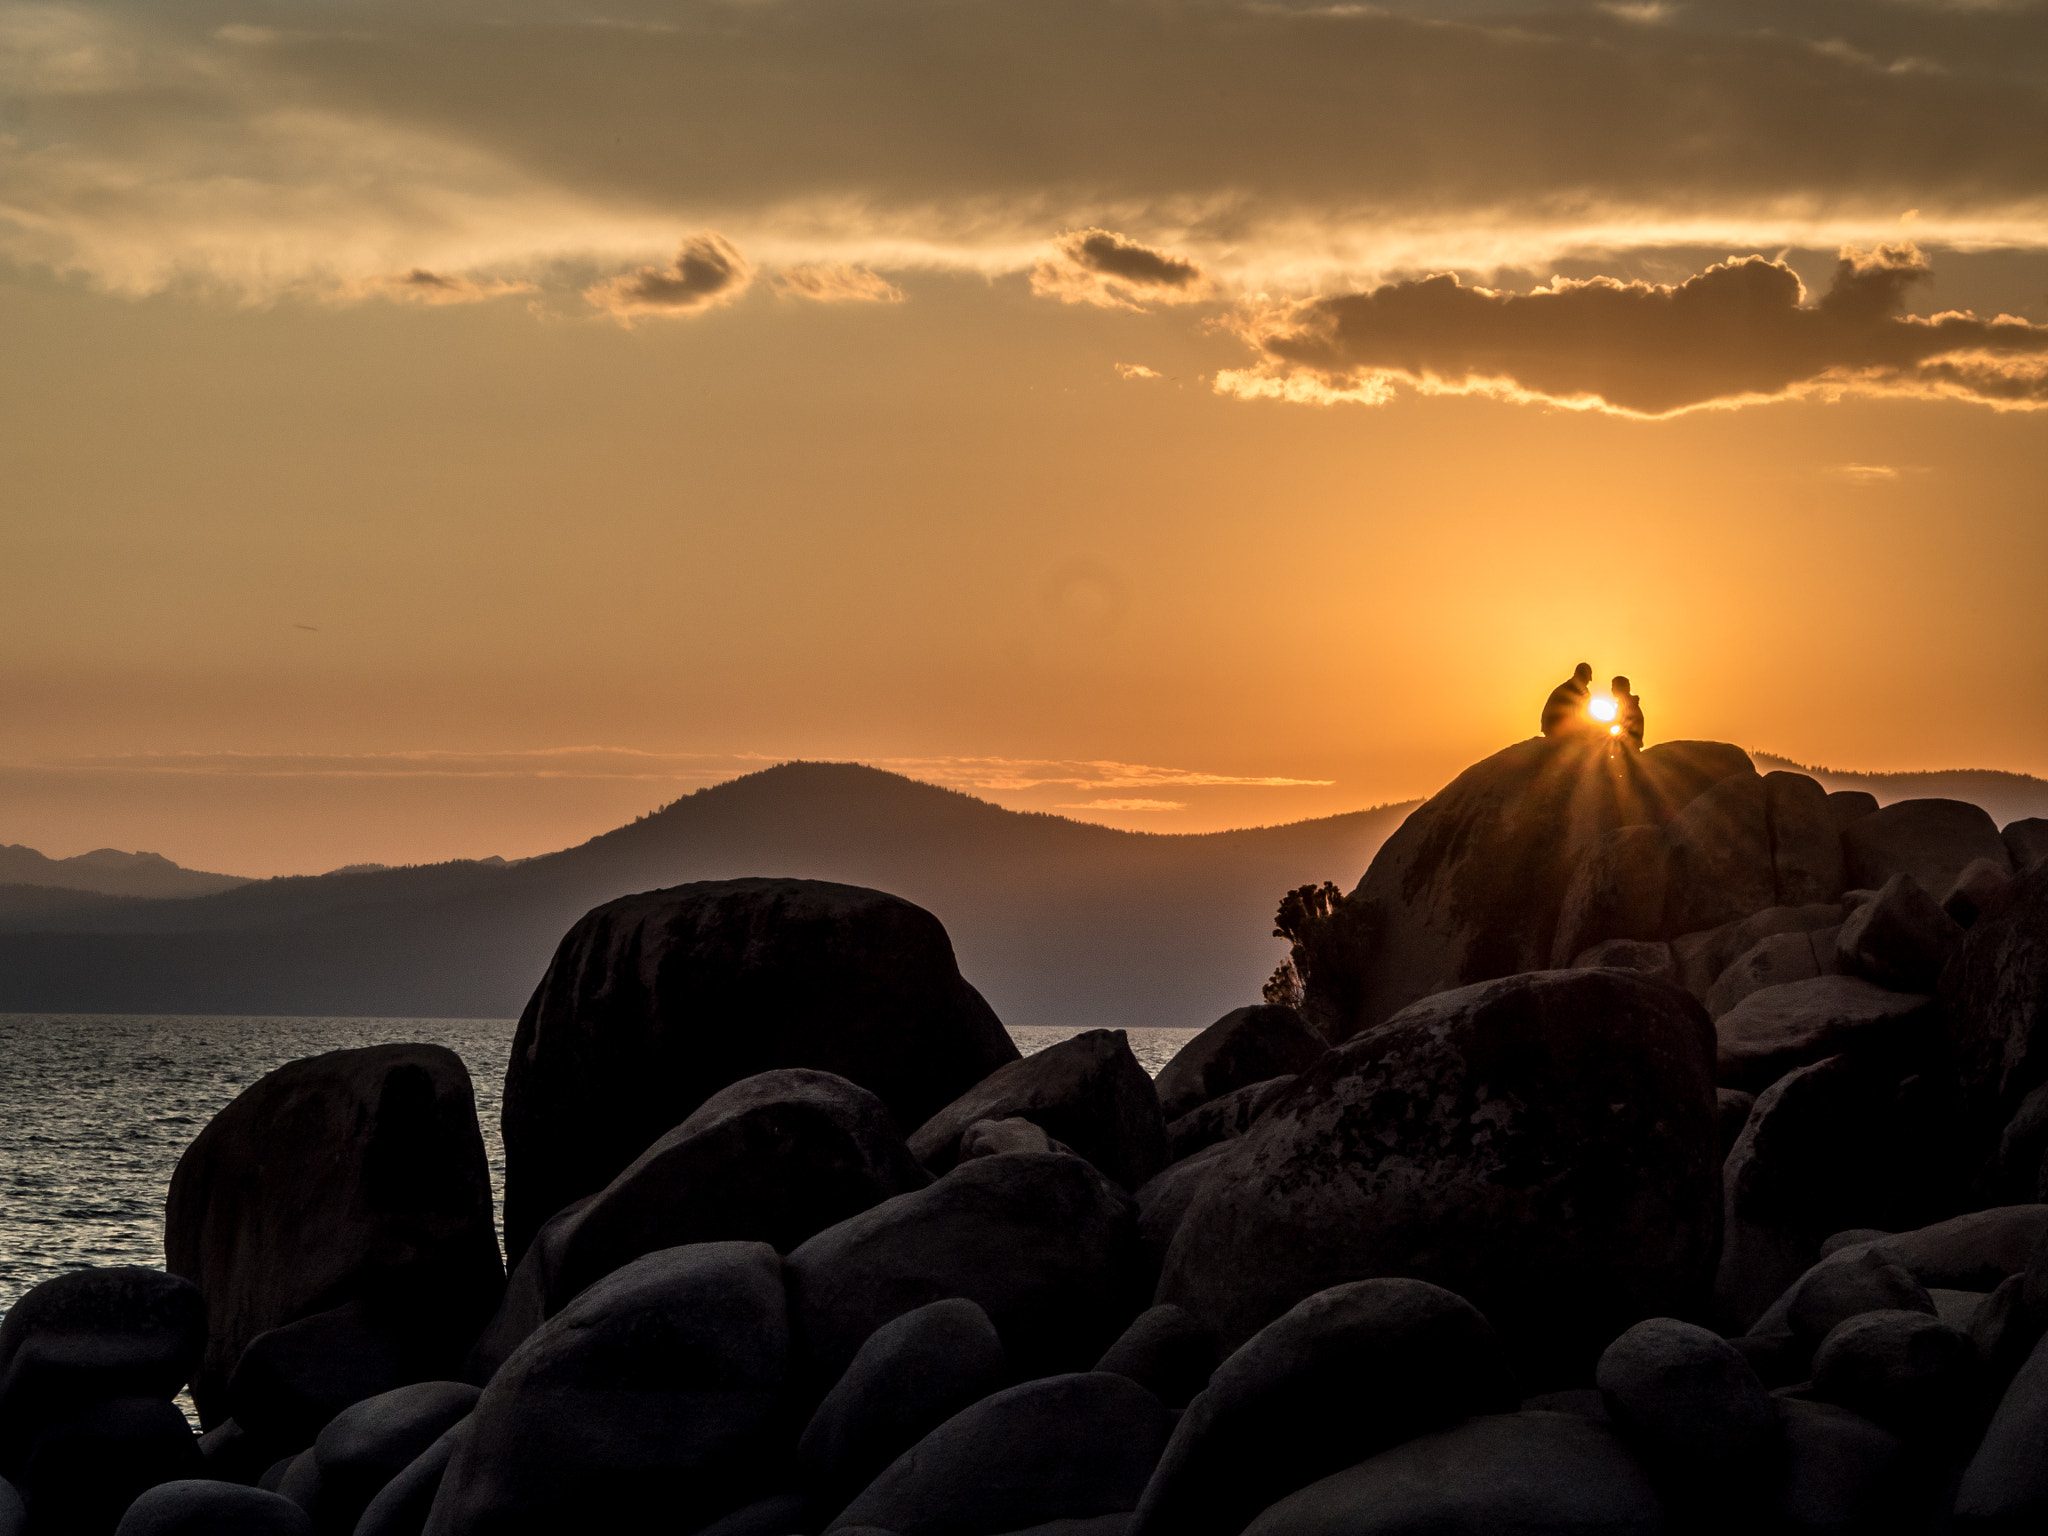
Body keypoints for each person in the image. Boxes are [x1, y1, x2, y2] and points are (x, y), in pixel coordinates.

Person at [1541, 663, 1594, 737]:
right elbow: (1578, 715)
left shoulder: (1571, 687)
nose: (1588, 682)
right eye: (1587, 679)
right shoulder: (1574, 690)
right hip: (1555, 728)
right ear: (1583, 676)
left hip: (1552, 727)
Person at [1612, 675, 1644, 748]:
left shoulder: (1629, 706)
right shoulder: (1624, 704)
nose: (1612, 689)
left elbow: (1620, 724)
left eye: (1614, 686)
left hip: (1629, 749)